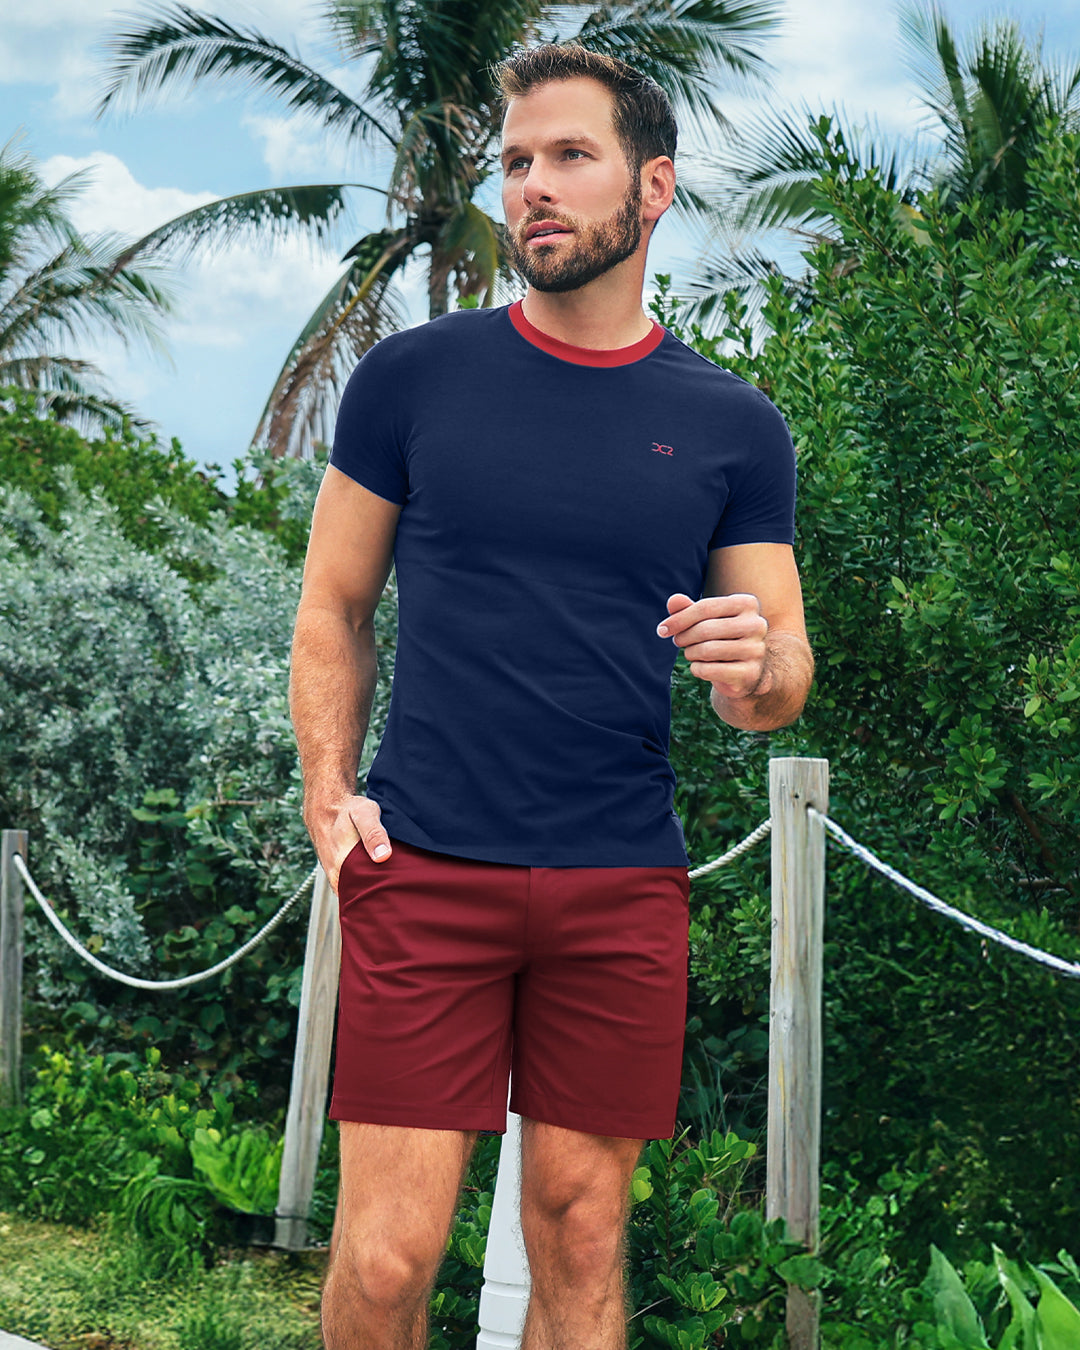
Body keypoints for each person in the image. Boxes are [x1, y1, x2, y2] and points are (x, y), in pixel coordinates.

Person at [290, 40, 813, 1350]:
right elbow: (333, 609)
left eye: (571, 156)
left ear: (654, 188)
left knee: (582, 1240)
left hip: (620, 881)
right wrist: (328, 796)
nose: (533, 185)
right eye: (517, 160)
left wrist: (758, 670)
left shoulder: (734, 426)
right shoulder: (413, 380)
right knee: (388, 1254)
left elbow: (778, 680)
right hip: (427, 862)